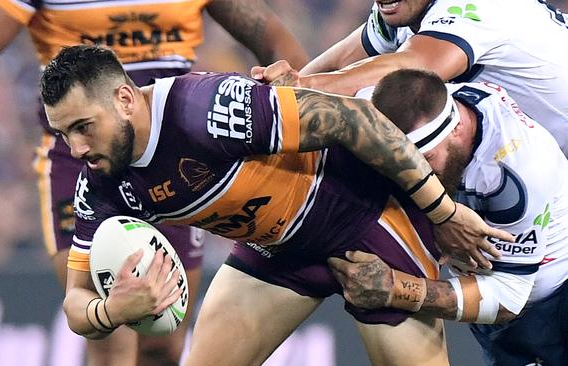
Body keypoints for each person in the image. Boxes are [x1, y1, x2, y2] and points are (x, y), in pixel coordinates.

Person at [40, 45, 513, 366]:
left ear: (125, 99)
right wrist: (113, 310)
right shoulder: (100, 183)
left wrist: (442, 212)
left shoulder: (206, 109)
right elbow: (75, 304)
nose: (76, 147)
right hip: (277, 253)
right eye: (63, 133)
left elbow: (356, 120)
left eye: (83, 126)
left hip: (368, 222)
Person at [0, 1, 308, 365]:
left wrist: (308, 112)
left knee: (164, 335)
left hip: (174, 152)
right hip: (82, 160)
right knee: (113, 335)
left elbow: (268, 33)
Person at [328, 69, 568, 365]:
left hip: (548, 310)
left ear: (456, 128)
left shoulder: (517, 171)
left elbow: (508, 299)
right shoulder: (397, 109)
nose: (416, 180)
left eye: (425, 161)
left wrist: (395, 289)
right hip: (487, 304)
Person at [254, 0, 568, 158]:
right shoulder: (404, 11)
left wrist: (299, 88)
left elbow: (417, 68)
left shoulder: (478, 7)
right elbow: (339, 64)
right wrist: (265, 95)